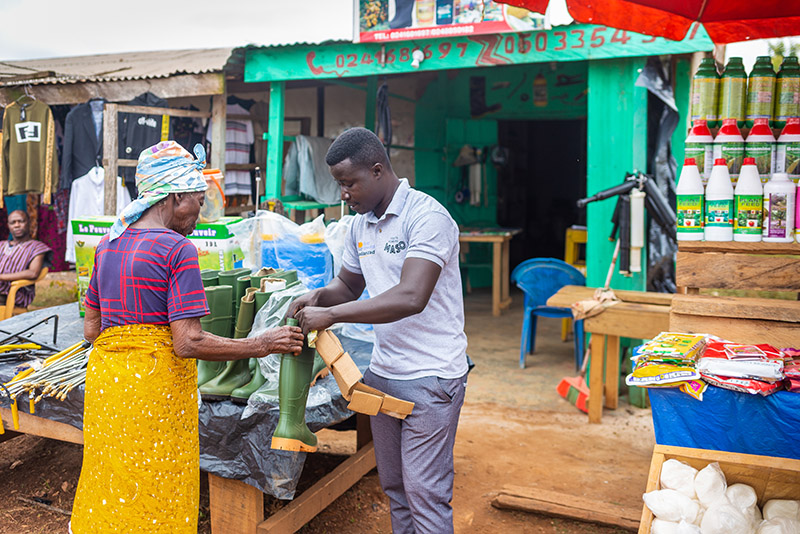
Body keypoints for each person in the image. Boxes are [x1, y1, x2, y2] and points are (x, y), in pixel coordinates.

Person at [70, 141, 304, 533]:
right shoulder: (177, 248)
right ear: (175, 197)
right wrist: (261, 343)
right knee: (158, 484)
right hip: (154, 390)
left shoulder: (108, 246)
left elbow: (92, 329)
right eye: (198, 199)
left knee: (112, 480)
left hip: (107, 387)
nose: (200, 210)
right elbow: (187, 343)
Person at [288, 127, 468, 534]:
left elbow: (411, 296)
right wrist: (317, 297)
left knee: (426, 494)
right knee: (397, 488)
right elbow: (347, 286)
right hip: (384, 374)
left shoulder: (428, 217)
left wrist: (334, 317)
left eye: (348, 183)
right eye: (339, 184)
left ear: (377, 170)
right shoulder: (359, 226)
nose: (343, 194)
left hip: (431, 377)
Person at [0, 210, 52, 308]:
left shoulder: (37, 247)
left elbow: (33, 273)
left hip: (15, 293)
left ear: (29, 222)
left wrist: (2, 277)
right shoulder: (1, 245)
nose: (17, 225)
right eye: (13, 223)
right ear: (8, 226)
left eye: (21, 221)